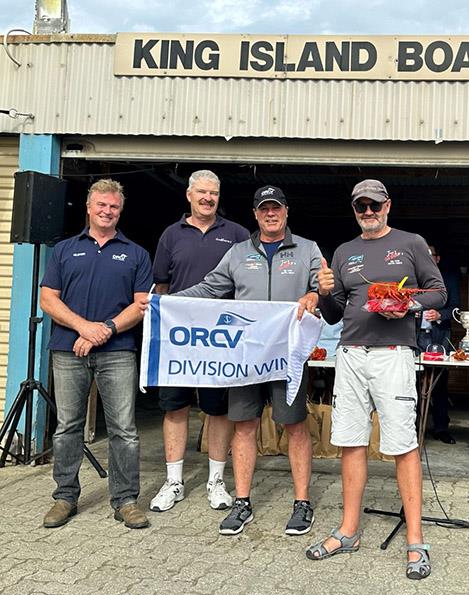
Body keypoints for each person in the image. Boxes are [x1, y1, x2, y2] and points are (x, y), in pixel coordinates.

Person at [310, 179, 446, 581]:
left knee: (403, 445)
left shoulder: (411, 243)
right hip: (350, 354)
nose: (367, 212)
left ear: (388, 205)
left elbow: (439, 292)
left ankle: (416, 541)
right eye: (360, 207)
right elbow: (335, 314)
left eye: (373, 205)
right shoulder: (344, 252)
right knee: (351, 442)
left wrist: (407, 305)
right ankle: (349, 531)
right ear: (354, 210)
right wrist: (323, 292)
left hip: (393, 355)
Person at [176, 184, 321, 536]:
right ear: (255, 215)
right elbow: (211, 288)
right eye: (263, 209)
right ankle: (242, 501)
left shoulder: (307, 249)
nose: (270, 214)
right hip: (246, 358)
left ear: (286, 211)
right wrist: (169, 303)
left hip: (288, 356)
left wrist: (315, 294)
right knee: (244, 426)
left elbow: (322, 286)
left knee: (295, 426)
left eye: (276, 208)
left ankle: (302, 502)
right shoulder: (239, 253)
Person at [40, 179, 153, 529]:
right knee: (67, 428)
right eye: (101, 205)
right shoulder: (63, 249)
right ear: (89, 208)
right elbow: (48, 299)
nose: (107, 211)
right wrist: (83, 328)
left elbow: (141, 306)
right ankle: (64, 497)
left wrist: (103, 330)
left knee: (124, 429)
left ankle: (125, 500)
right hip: (68, 348)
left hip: (118, 350)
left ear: (121, 211)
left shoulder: (136, 253)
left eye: (114, 206)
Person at [149, 169, 250, 513]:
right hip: (180, 340)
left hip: (220, 340)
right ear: (189, 195)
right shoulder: (170, 235)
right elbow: (161, 287)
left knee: (217, 410)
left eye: (214, 193)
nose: (208, 198)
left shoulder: (237, 234)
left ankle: (216, 482)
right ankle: (174, 482)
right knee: (174, 407)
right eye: (202, 192)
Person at [416, 244, 460, 444]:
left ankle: (441, 428)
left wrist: (440, 314)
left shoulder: (448, 278)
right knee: (412, 383)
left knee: (439, 384)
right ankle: (413, 427)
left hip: (438, 336)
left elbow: (457, 309)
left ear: (437, 258)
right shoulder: (412, 277)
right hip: (415, 336)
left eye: (430, 254)